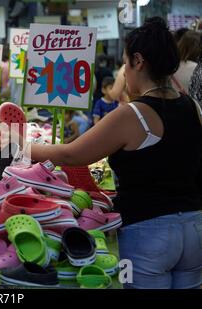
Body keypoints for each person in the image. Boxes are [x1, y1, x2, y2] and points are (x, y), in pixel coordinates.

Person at [19, 17, 201, 289]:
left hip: (149, 234)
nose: (124, 72)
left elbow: (72, 155)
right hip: (195, 228)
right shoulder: (191, 106)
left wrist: (19, 146)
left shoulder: (134, 114)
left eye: (125, 63)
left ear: (138, 61)